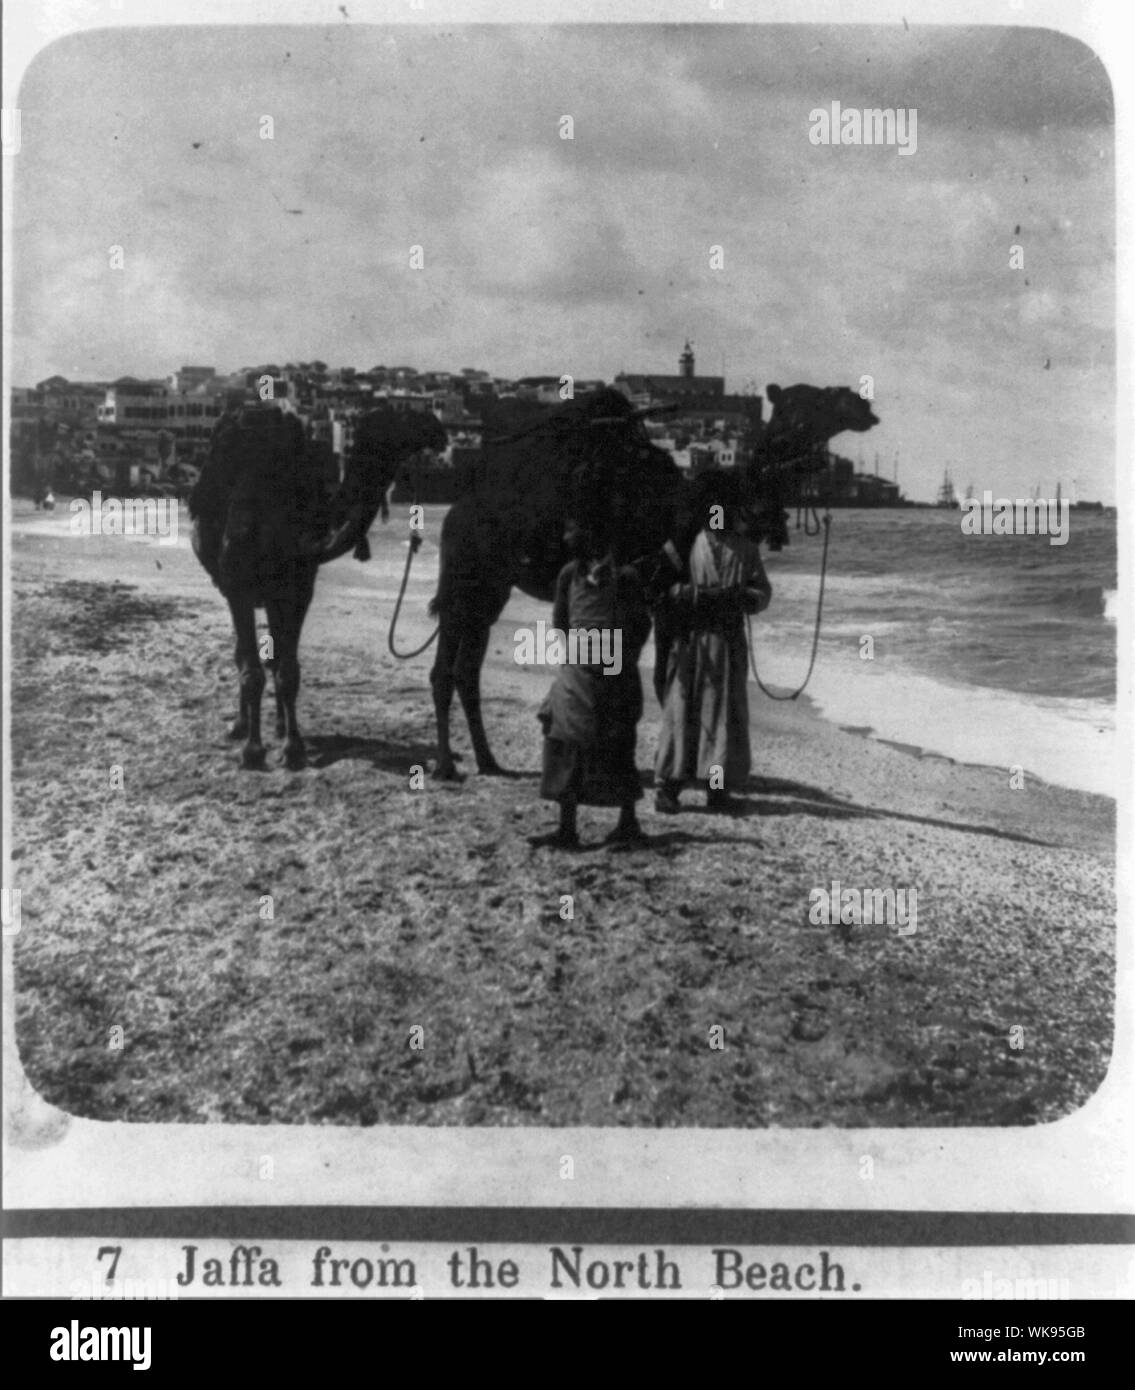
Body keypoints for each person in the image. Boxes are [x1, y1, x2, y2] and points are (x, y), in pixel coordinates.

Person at [531, 520, 653, 851]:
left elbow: (641, 626)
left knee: (620, 745)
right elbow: (561, 623)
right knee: (564, 740)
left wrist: (616, 661)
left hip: (615, 674)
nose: (567, 536)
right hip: (577, 672)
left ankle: (628, 822)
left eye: (573, 530)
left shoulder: (625, 577)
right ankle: (566, 828)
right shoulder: (569, 575)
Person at [654, 471, 771, 814]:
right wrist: (694, 595)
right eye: (713, 509)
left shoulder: (746, 549)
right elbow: (662, 589)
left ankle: (715, 790)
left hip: (728, 642)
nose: (718, 515)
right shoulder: (683, 546)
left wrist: (743, 597)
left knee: (722, 720)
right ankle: (669, 788)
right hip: (691, 641)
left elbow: (762, 592)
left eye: (724, 509)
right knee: (681, 713)